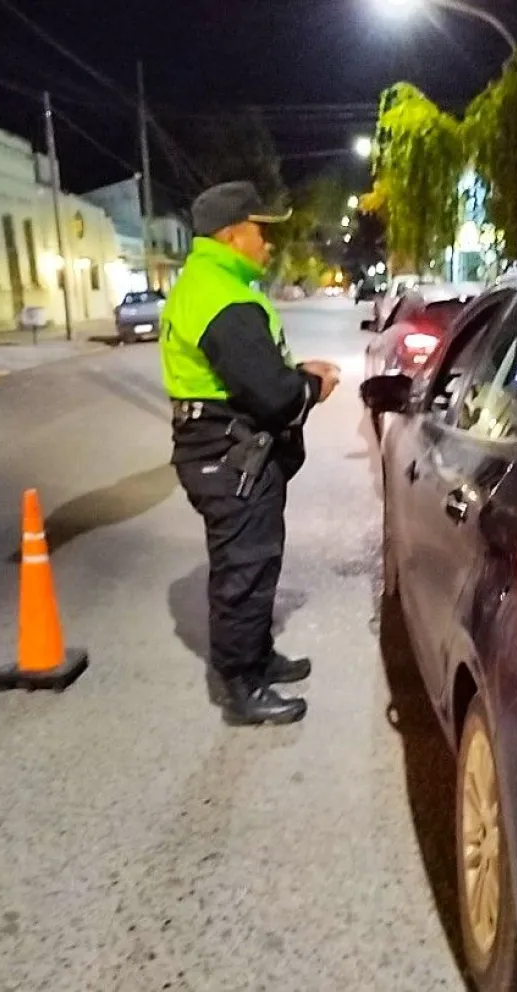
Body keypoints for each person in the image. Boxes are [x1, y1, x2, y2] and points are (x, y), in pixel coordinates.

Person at [159, 181, 340, 726]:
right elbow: (271, 395)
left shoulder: (212, 284)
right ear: (233, 234)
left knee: (254, 561)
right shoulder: (222, 297)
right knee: (244, 568)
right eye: (261, 231)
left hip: (228, 453)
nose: (268, 243)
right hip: (230, 456)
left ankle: (257, 656)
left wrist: (295, 373)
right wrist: (311, 386)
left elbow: (247, 372)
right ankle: (242, 684)